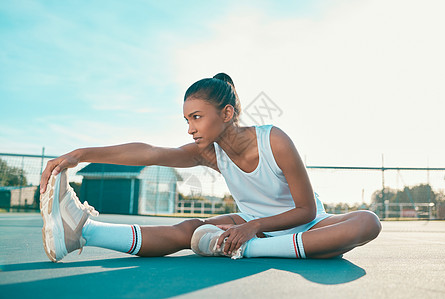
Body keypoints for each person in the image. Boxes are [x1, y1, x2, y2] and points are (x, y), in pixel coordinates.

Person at [39, 73, 381, 262]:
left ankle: (251, 250)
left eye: (197, 117)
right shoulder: (208, 153)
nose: (190, 128)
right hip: (253, 224)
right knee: (191, 230)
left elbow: (306, 210)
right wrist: (79, 154)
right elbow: (149, 153)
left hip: (306, 224)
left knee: (366, 222)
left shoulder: (275, 141)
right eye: (187, 119)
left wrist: (251, 231)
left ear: (227, 113)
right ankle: (84, 231)